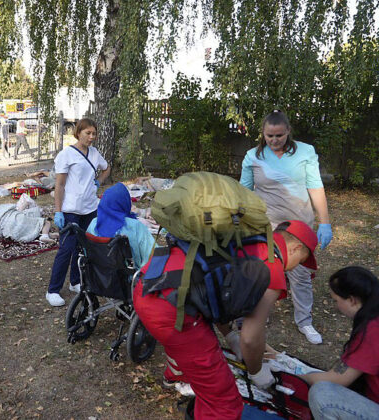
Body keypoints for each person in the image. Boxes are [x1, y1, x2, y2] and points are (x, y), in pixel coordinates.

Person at [133, 220, 319, 419]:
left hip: (149, 283)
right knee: (223, 401)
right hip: (171, 309)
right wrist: (257, 372)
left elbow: (217, 291)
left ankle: (175, 375)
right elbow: (250, 336)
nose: (294, 268)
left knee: (183, 346)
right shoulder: (272, 266)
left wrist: (230, 335)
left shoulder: (247, 239)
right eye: (300, 261)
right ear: (296, 247)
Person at [240, 110, 332, 345]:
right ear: (263, 133)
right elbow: (244, 192)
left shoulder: (305, 152)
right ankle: (256, 314)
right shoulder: (253, 156)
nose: (274, 140)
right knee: (263, 271)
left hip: (298, 227)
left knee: (300, 275)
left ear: (288, 131)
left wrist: (325, 222)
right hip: (267, 225)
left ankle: (304, 321)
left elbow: (315, 187)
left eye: (279, 135)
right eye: (269, 135)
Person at [46, 118, 111, 307]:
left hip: (90, 209)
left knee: (83, 248)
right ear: (78, 133)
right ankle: (53, 290)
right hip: (71, 210)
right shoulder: (67, 155)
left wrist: (98, 181)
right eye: (87, 133)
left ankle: (75, 281)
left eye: (94, 133)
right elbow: (59, 184)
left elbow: (107, 168)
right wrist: (58, 211)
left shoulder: (95, 153)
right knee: (66, 249)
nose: (91, 137)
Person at [302, 266, 379, 419]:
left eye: (336, 300)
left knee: (323, 395)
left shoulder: (372, 330)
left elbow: (337, 379)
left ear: (352, 300)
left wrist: (295, 376)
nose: (335, 306)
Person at [86, 182, 155, 269]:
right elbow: (152, 256)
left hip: (99, 275)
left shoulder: (94, 224)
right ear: (125, 202)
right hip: (130, 276)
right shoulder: (135, 226)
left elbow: (88, 251)